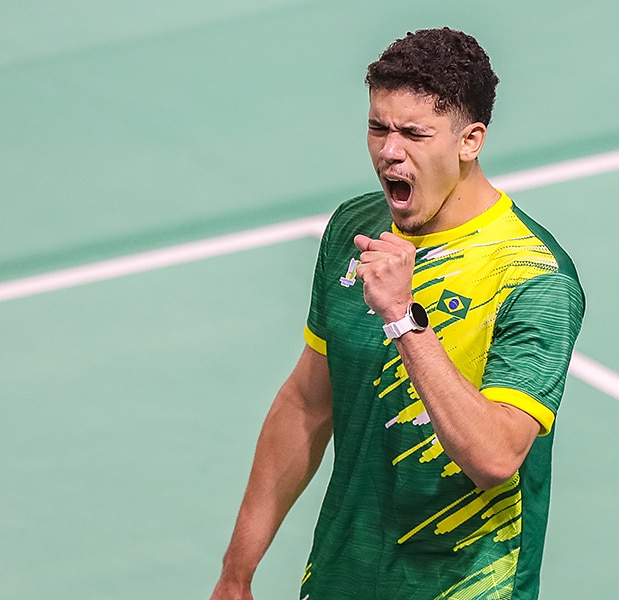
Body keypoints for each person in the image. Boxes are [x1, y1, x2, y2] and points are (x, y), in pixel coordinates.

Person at [210, 27, 584, 600]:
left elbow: (496, 457)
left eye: (414, 133)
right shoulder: (353, 230)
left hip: (465, 586)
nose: (390, 150)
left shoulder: (532, 275)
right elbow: (308, 403)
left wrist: (403, 319)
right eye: (378, 127)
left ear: (470, 140)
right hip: (342, 576)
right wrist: (237, 573)